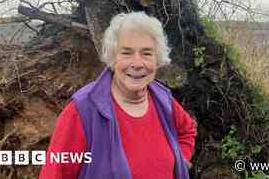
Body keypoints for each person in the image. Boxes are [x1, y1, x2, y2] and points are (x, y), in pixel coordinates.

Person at [39, 12, 197, 179]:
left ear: (157, 59)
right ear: (113, 57)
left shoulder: (163, 99)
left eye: (147, 53)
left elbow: (187, 130)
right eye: (127, 53)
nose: (137, 63)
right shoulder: (82, 110)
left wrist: (180, 160)